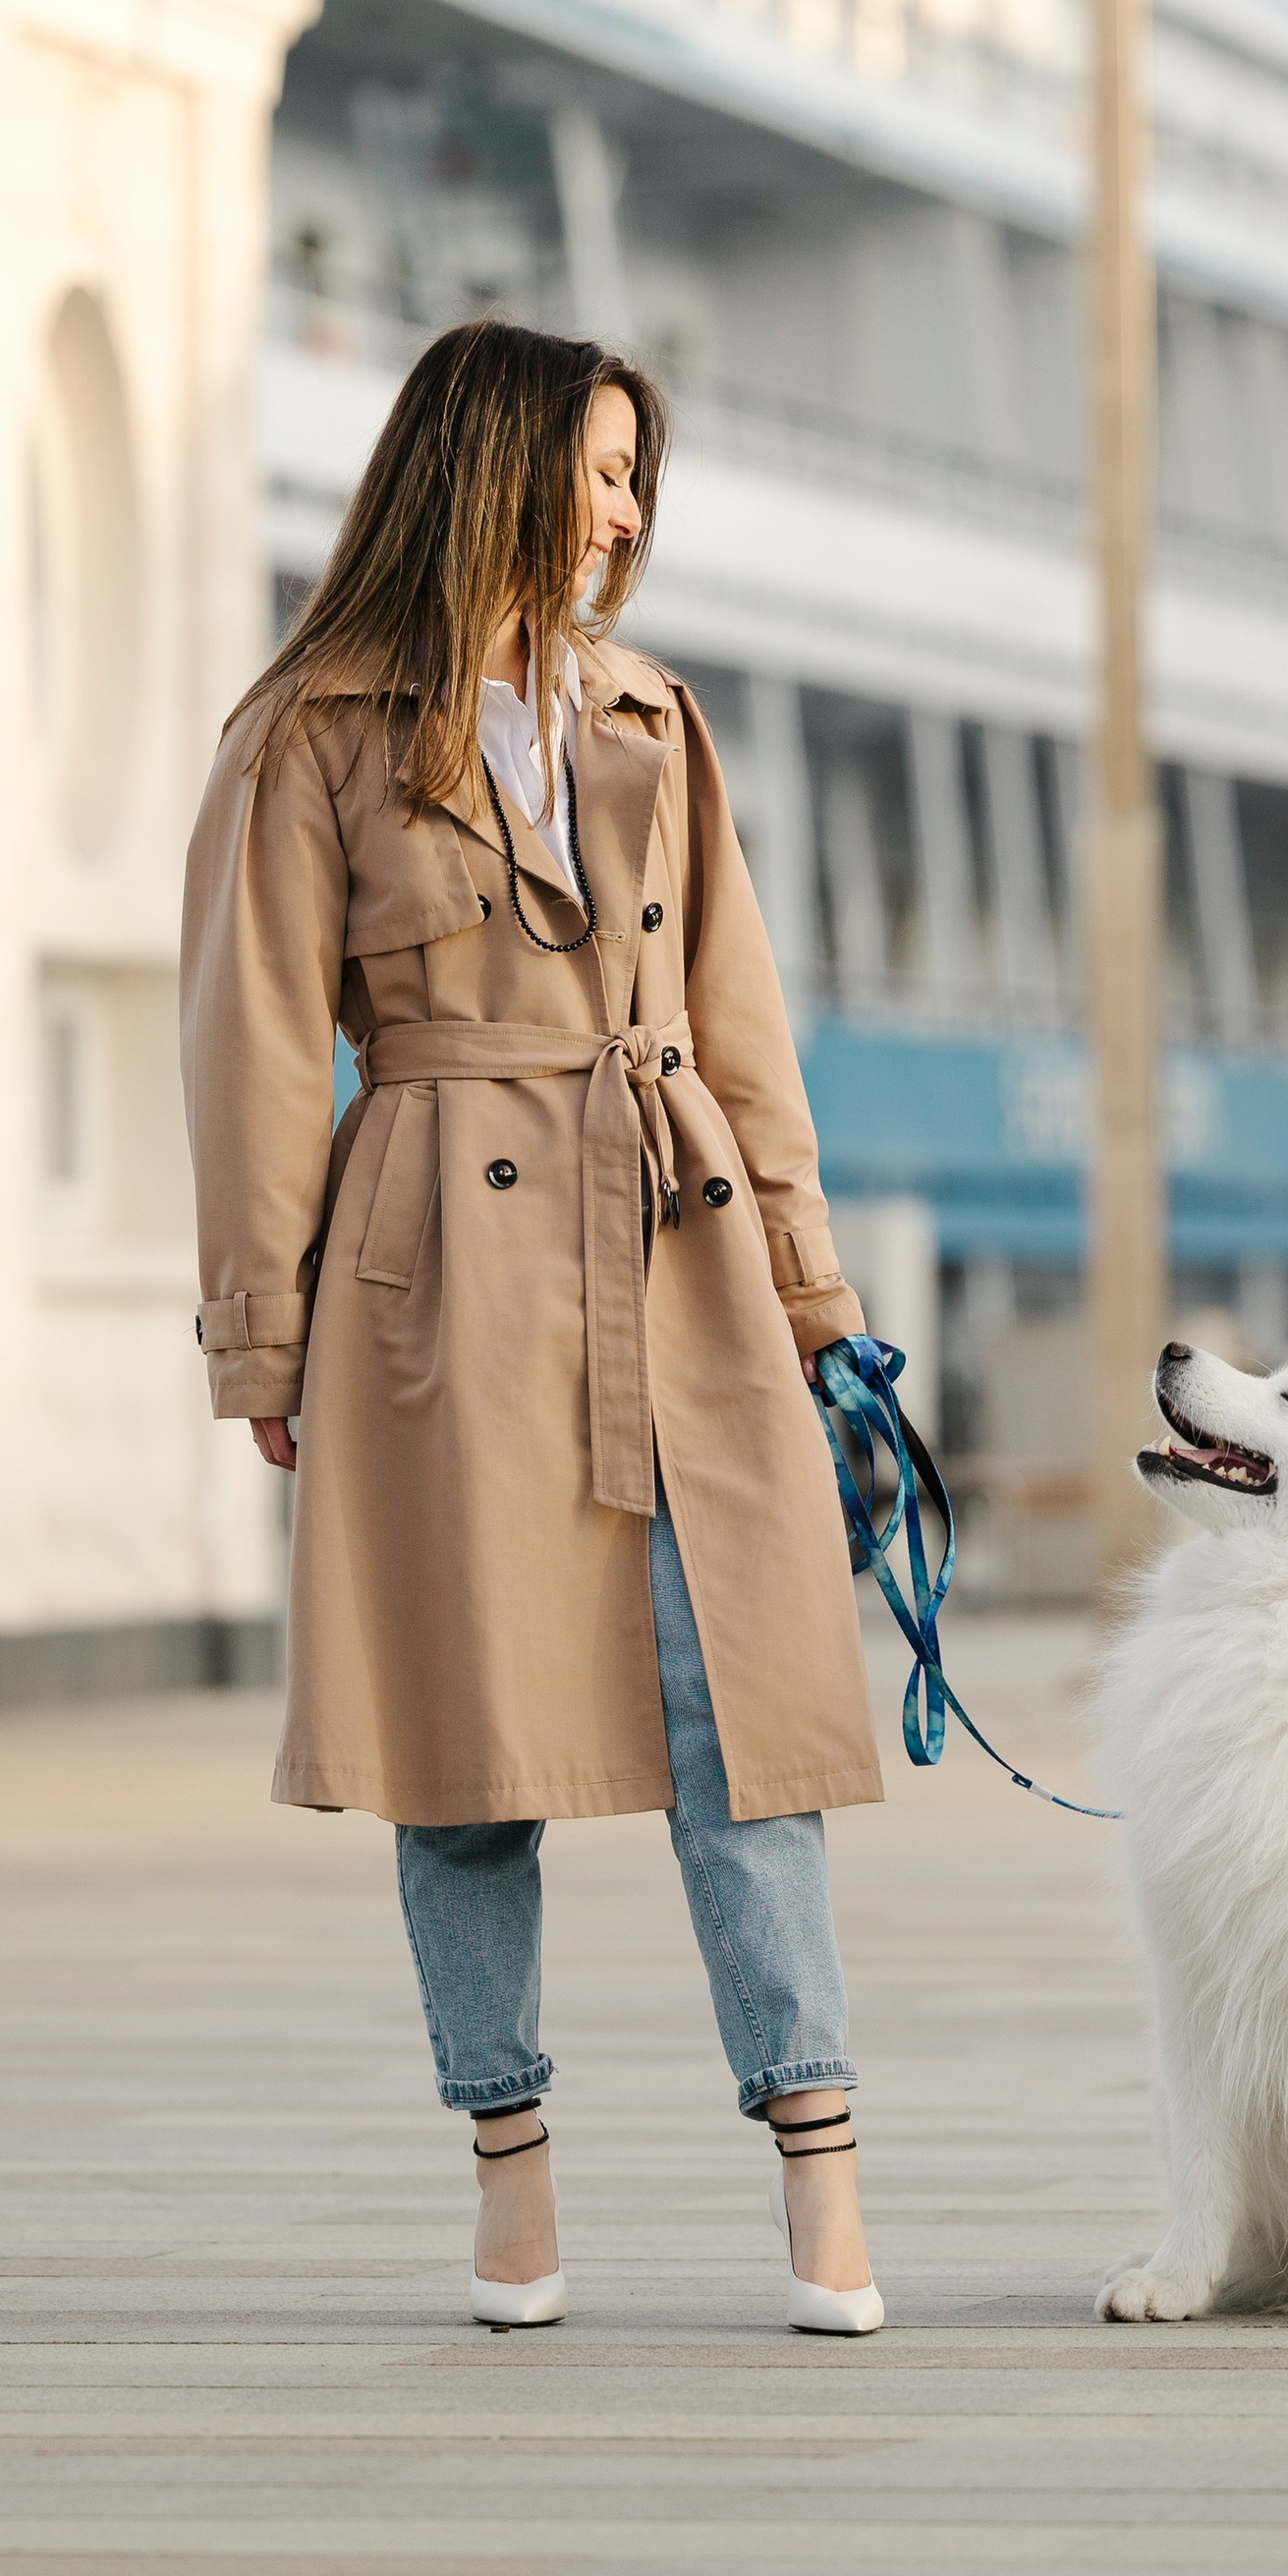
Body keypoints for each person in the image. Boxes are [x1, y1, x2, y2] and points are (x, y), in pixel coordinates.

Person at [180, 320, 886, 2336]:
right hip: (432, 1277)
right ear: (487, 471)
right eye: (593, 468)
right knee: (459, 1742)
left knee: (740, 1711)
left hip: (680, 1246)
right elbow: (246, 1054)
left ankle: (819, 2161)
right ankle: (510, 2172)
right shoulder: (309, 731)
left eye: (632, 475)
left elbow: (744, 1035)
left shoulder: (658, 721)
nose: (622, 510)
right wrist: (261, 1335)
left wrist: (814, 1296)